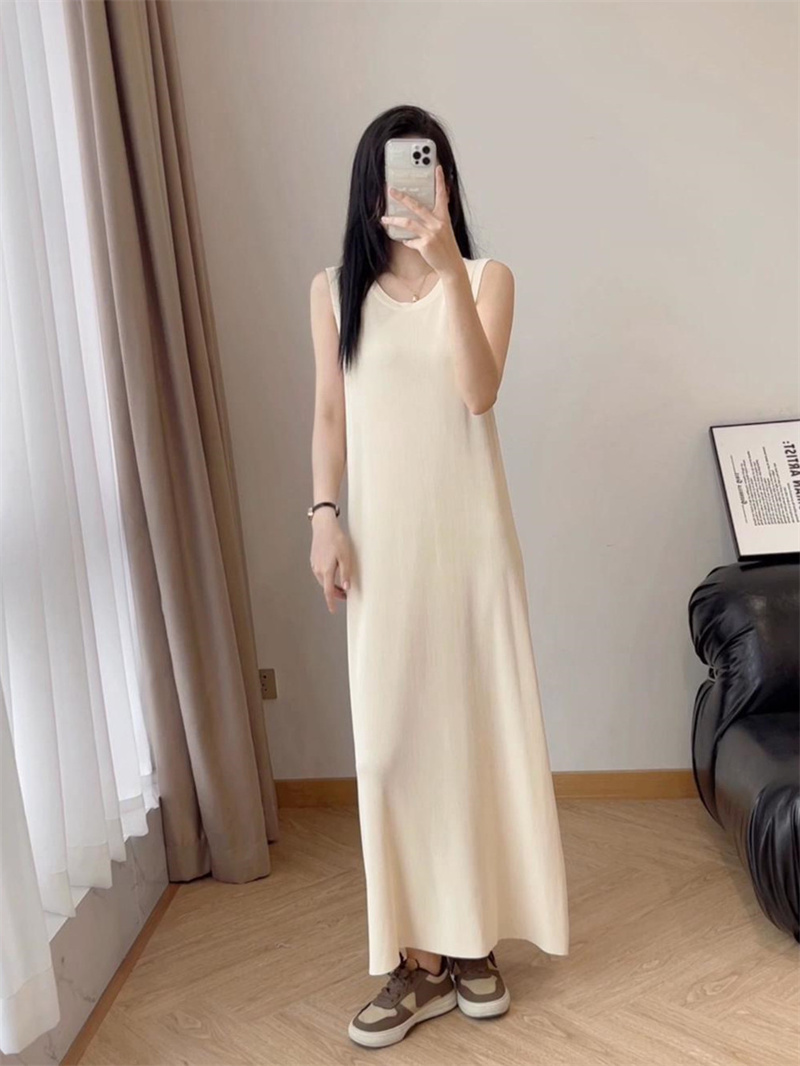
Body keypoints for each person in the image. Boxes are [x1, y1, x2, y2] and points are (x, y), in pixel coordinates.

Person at [308, 105, 569, 1050]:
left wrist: (449, 263)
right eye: (391, 173)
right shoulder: (333, 293)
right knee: (391, 749)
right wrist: (323, 517)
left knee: (470, 740)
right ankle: (415, 960)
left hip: (470, 548)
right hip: (383, 553)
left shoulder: (489, 279)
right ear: (367, 186)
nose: (407, 189)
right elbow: (329, 417)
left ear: (445, 182)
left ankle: (469, 945)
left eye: (423, 171)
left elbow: (477, 391)